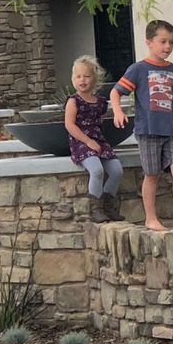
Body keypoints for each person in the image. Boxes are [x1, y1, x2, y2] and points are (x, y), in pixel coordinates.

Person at [111, 19, 173, 231]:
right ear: (149, 42)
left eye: (171, 42)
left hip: (171, 131)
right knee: (152, 174)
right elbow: (116, 91)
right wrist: (117, 111)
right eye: (163, 42)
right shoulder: (138, 69)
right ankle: (150, 218)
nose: (167, 47)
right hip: (148, 131)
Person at [64, 55, 124, 222]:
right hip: (81, 142)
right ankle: (95, 208)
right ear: (73, 79)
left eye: (86, 76)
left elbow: (100, 121)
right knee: (96, 170)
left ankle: (107, 205)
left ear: (94, 79)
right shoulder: (73, 101)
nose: (82, 80)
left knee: (117, 171)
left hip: (99, 141)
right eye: (78, 76)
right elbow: (70, 125)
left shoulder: (101, 102)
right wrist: (87, 141)